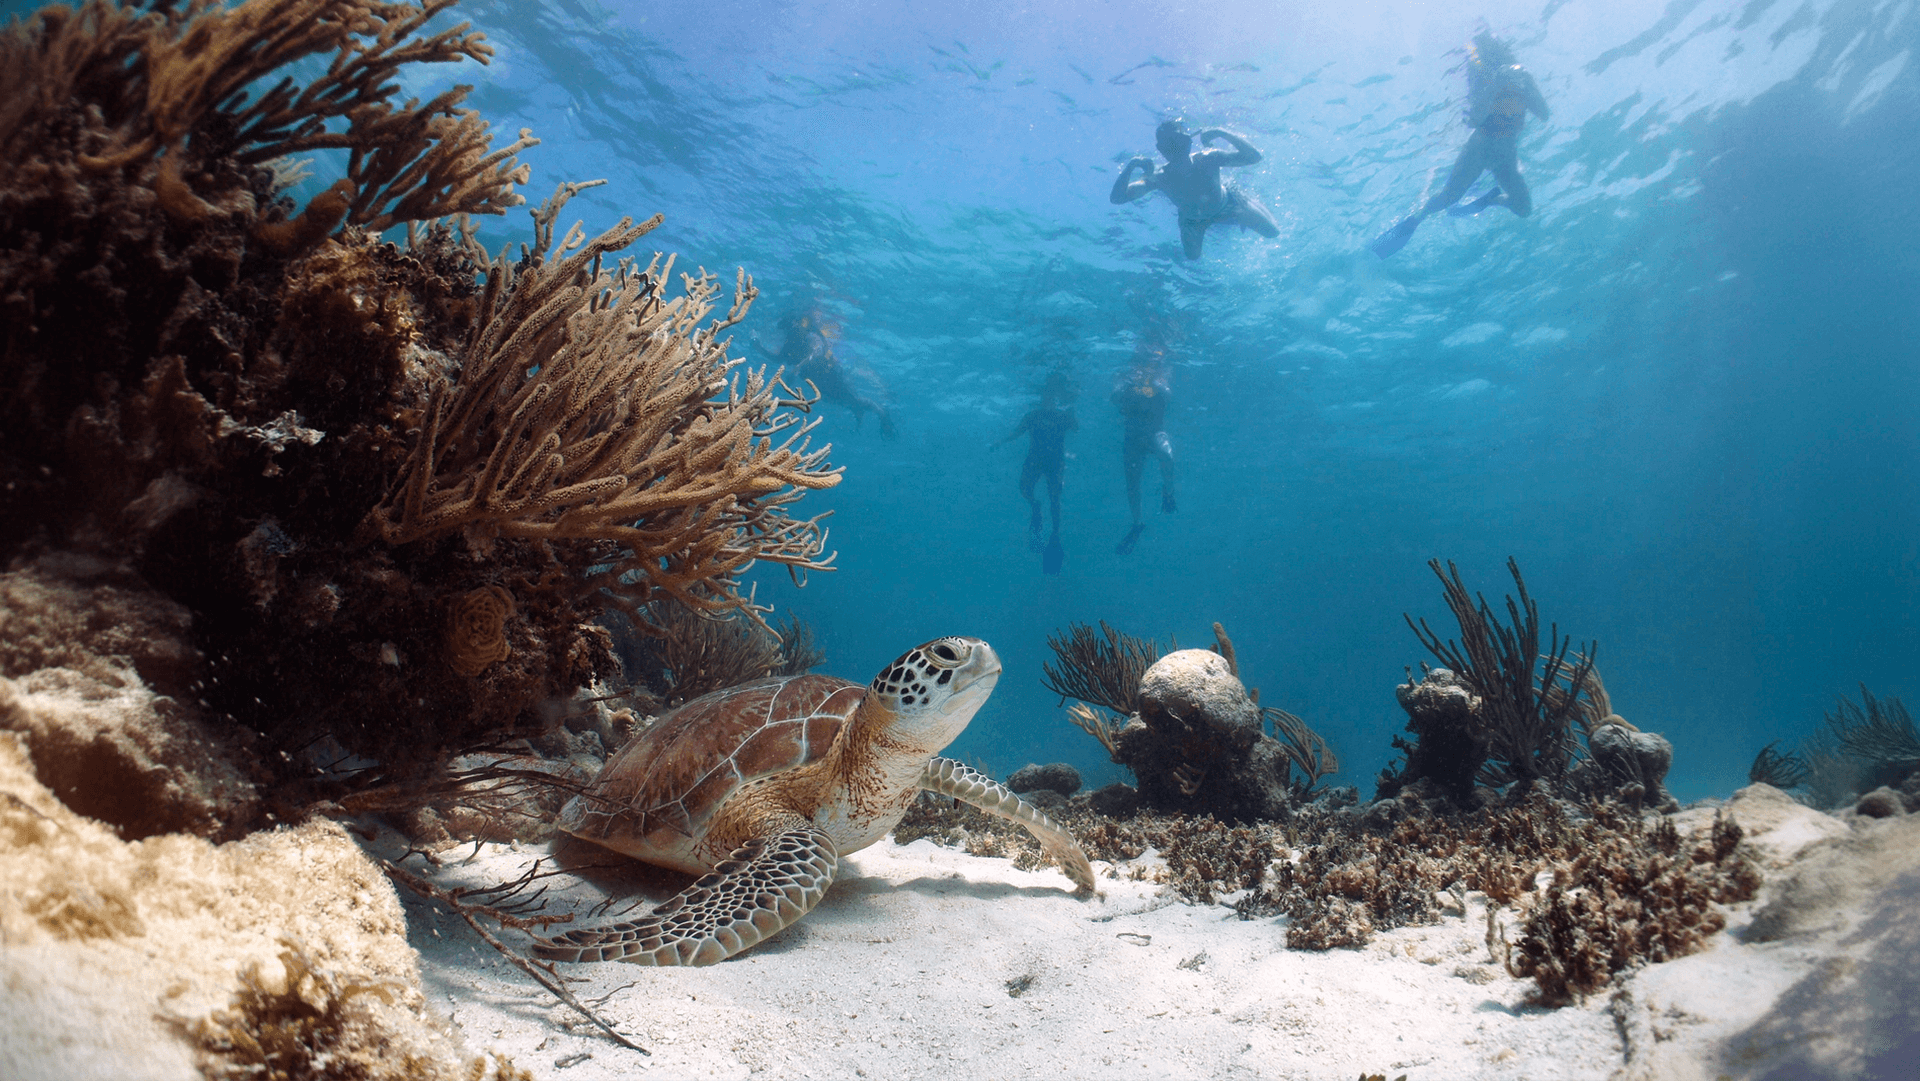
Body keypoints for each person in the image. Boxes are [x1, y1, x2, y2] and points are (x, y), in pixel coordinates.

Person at [1370, 31, 1550, 259]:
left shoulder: (1523, 79)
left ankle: (1490, 200)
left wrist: (1530, 85)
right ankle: (1414, 221)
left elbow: (1544, 114)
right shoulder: (1485, 76)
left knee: (1524, 208)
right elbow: (1475, 119)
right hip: (1481, 148)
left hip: (1507, 155)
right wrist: (1495, 85)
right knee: (1448, 198)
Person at [1110, 119, 1281, 260]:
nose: (1174, 148)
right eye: (1169, 144)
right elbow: (1117, 198)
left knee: (1273, 232)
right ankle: (1228, 216)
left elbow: (1254, 157)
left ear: (1188, 141)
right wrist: (1131, 166)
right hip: (1193, 220)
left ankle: (1243, 198)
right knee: (1192, 256)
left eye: (1177, 142)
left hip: (1228, 204)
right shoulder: (1159, 177)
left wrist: (1221, 131)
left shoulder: (1207, 158)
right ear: (1161, 149)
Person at [757, 307, 895, 436]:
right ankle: (865, 411)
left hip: (831, 374)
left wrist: (796, 369)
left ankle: (882, 414)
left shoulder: (808, 335)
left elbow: (816, 351)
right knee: (839, 400)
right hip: (819, 380)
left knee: (851, 398)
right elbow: (778, 358)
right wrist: (757, 345)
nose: (791, 330)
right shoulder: (791, 342)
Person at [991, 372, 1078, 574]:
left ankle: (1055, 534)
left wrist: (1072, 414)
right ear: (1041, 399)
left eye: (1052, 398)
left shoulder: (1063, 416)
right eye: (1045, 397)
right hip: (1034, 460)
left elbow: (1076, 429)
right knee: (1024, 489)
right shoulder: (1033, 415)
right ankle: (1036, 508)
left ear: (1056, 400)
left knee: (1055, 499)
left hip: (1055, 463)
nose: (1048, 400)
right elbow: (1016, 432)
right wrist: (1000, 442)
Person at [1111, 347, 1176, 555]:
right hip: (1132, 438)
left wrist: (1155, 383)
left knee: (1167, 454)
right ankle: (1137, 523)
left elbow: (1168, 395)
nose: (1144, 368)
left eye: (1148, 363)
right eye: (1140, 364)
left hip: (1155, 432)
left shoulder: (1159, 377)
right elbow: (1114, 397)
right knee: (1132, 483)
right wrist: (1126, 385)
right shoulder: (1125, 378)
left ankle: (1168, 490)